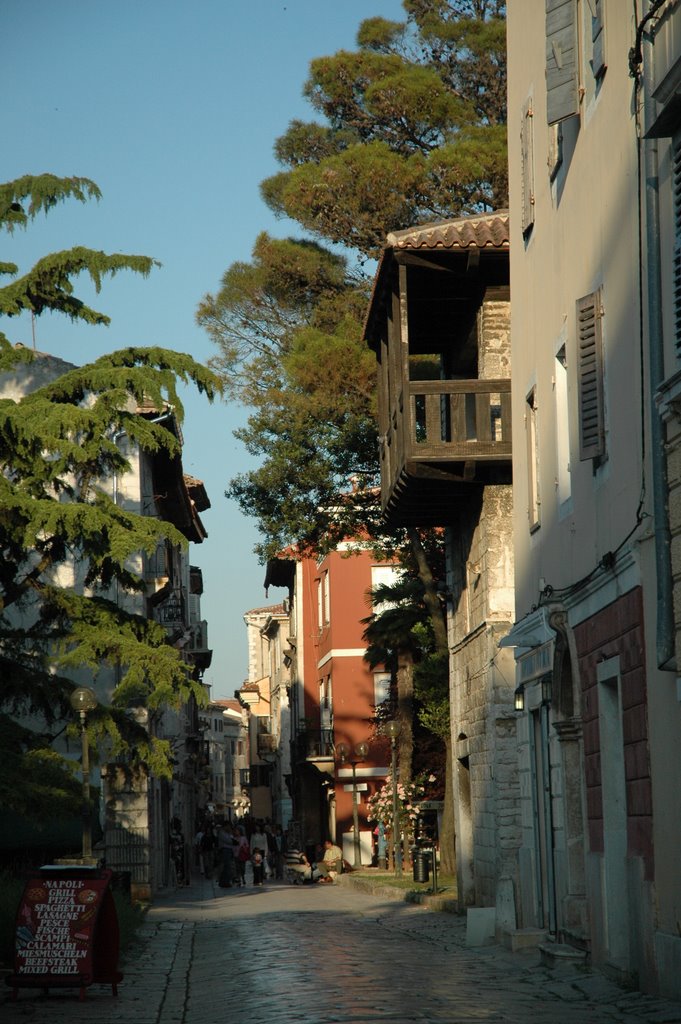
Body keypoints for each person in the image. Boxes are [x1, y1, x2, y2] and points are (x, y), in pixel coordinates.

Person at [217, 821, 236, 888]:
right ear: (225, 826)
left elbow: (232, 839)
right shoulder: (222, 833)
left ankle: (225, 881)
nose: (229, 828)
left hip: (229, 850)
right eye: (228, 826)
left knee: (227, 867)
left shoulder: (227, 833)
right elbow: (230, 841)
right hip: (225, 850)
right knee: (226, 866)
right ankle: (224, 882)